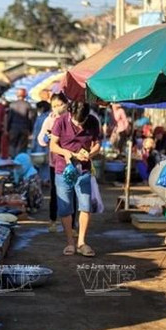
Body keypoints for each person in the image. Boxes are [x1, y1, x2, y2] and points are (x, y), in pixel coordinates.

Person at [50, 101, 101, 257]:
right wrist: (68, 154)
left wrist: (90, 154)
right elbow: (53, 145)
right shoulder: (60, 122)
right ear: (70, 113)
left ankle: (82, 242)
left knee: (85, 206)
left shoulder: (93, 121)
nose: (79, 125)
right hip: (63, 169)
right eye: (76, 122)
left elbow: (97, 144)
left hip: (84, 170)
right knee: (65, 208)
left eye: (82, 122)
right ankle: (70, 243)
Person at [38, 93, 73, 233]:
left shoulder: (73, 118)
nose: (57, 108)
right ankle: (53, 221)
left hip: (72, 161)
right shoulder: (50, 120)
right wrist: (49, 138)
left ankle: (72, 226)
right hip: (55, 162)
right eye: (54, 106)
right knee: (55, 192)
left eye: (59, 105)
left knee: (72, 194)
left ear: (66, 104)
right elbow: (40, 139)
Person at [8, 89, 33, 157]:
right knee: (23, 146)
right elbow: (30, 118)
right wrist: (31, 130)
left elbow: (9, 118)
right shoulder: (27, 105)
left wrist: (7, 129)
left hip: (14, 128)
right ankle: (21, 161)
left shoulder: (12, 105)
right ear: (25, 95)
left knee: (12, 145)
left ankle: (13, 159)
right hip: (24, 128)